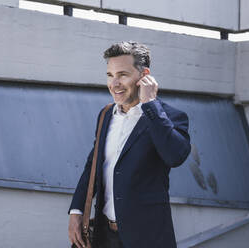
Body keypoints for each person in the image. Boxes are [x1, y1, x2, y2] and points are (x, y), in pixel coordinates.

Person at [68, 41, 191, 248]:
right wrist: (77, 211)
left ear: (144, 75)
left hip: (147, 238)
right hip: (104, 236)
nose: (114, 84)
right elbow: (93, 165)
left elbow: (175, 156)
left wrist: (150, 105)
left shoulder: (170, 117)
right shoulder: (106, 115)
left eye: (122, 75)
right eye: (110, 75)